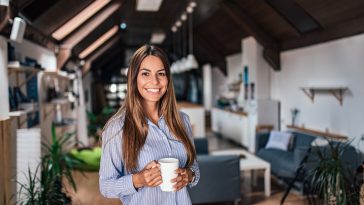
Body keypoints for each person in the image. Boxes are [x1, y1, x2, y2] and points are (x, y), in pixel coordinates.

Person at [99, 45, 200, 205]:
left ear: (168, 79)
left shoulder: (182, 121)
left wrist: (190, 175)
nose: (155, 81)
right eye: (145, 74)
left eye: (161, 74)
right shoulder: (117, 128)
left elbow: (194, 167)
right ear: (134, 78)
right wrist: (138, 180)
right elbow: (105, 186)